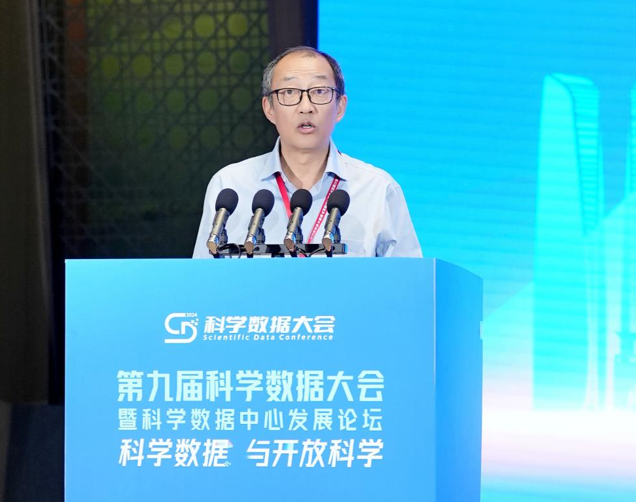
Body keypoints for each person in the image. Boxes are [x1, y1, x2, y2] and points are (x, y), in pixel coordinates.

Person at [193, 46, 422, 258]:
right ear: (269, 108)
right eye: (289, 92)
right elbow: (202, 278)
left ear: (340, 107)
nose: (306, 107)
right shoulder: (230, 185)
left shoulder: (377, 190)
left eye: (319, 91)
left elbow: (411, 282)